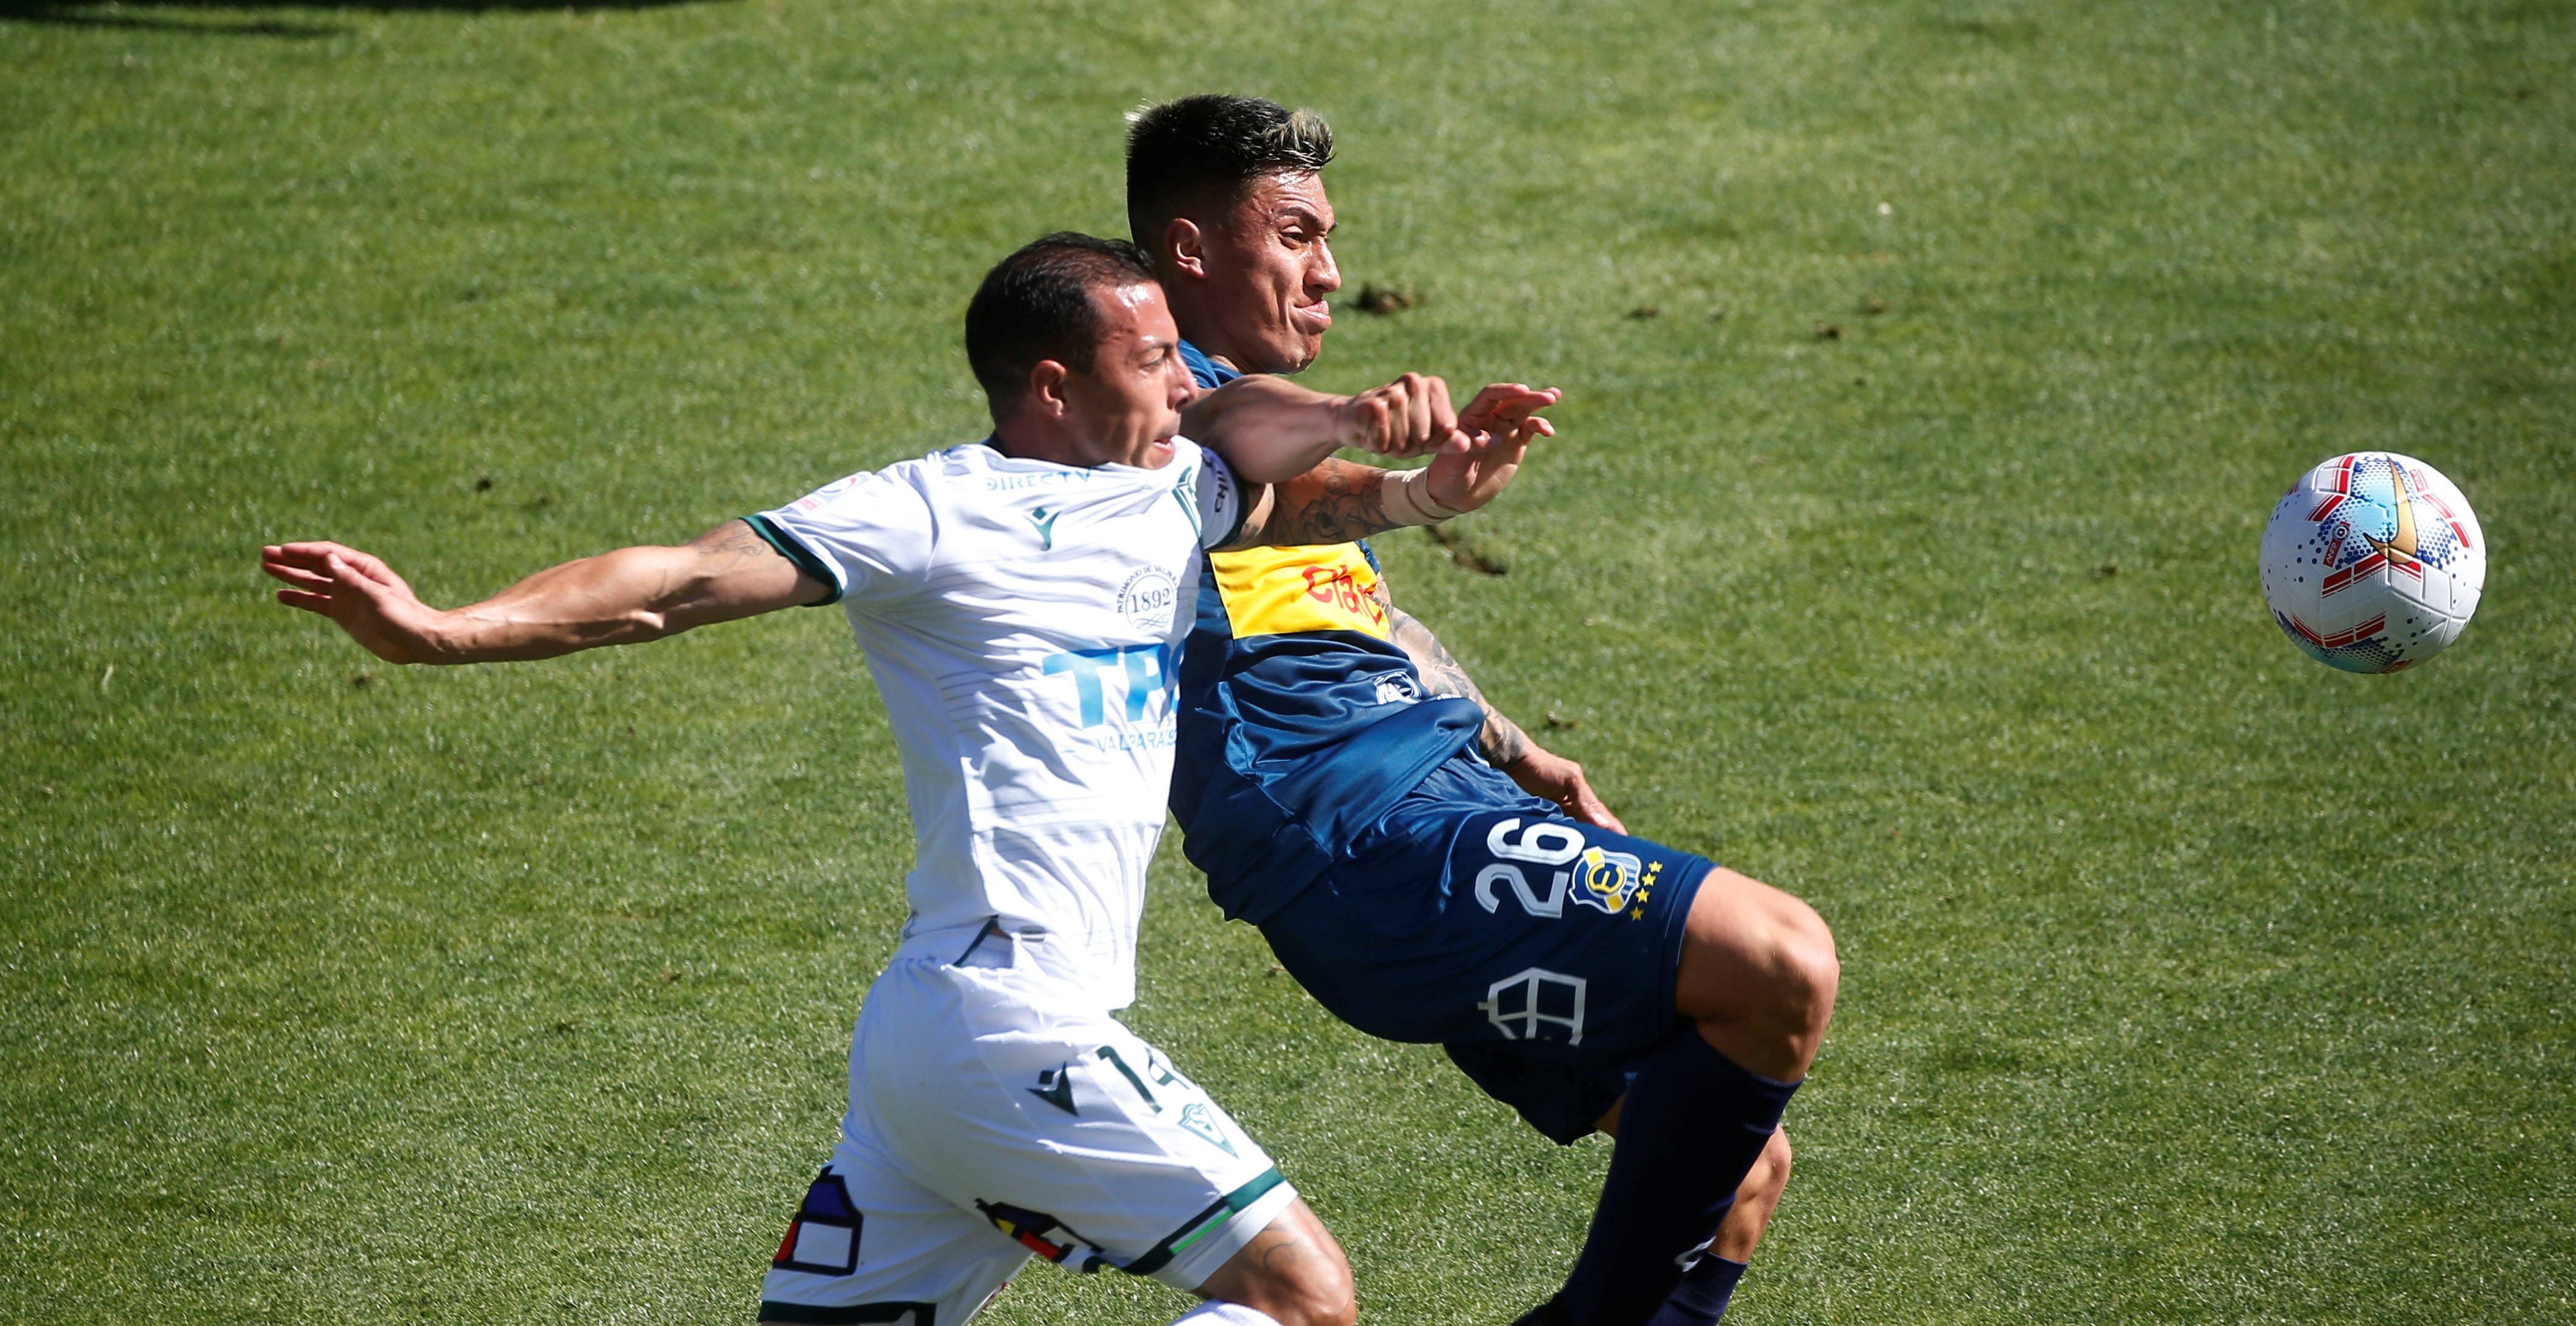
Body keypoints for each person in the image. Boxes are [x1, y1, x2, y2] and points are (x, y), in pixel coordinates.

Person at [261, 232, 1552, 1326]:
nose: (1185, 383)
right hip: (1005, 1027)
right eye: (1154, 358)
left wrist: (1411, 484)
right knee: (1297, 1295)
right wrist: (444, 628)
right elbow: (674, 584)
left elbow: (1254, 450)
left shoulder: (1162, 485)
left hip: (927, 1045)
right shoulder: (932, 512)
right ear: (1054, 386)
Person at [1127, 96, 1837, 1326]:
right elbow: (1232, 439)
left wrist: (1514, 748)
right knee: (1781, 960)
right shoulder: (1142, 415)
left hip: (1440, 804)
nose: (1331, 273)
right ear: (1190, 250)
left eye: (1329, 237)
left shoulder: (1261, 456)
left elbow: (1344, 599)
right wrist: (1357, 431)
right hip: (1362, 845)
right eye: (1295, 235)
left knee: (1732, 1172)